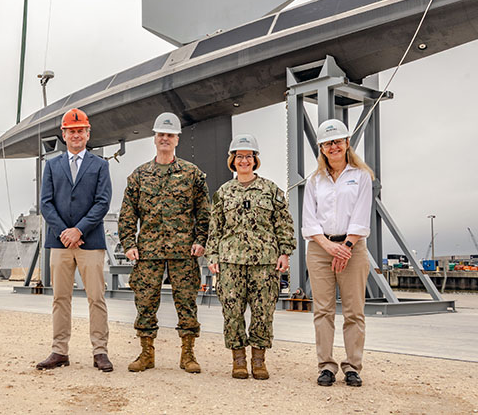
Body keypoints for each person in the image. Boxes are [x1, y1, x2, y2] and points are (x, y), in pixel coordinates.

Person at [119, 112, 210, 373]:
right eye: (161, 135)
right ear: (154, 138)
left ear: (177, 139)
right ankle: (146, 353)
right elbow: (128, 213)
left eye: (169, 135)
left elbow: (204, 212)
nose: (165, 139)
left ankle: (188, 354)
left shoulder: (192, 174)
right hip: (148, 251)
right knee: (145, 301)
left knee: (186, 301)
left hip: (184, 251)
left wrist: (201, 240)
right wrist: (128, 244)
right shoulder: (140, 175)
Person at [206, 134, 295, 379]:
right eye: (239, 156)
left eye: (249, 156)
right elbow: (215, 227)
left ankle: (258, 360)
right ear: (232, 160)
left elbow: (284, 224)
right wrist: (212, 255)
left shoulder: (270, 190)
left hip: (264, 263)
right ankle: (238, 360)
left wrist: (285, 253)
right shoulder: (223, 192)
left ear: (256, 160)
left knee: (263, 312)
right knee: (232, 312)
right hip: (231, 262)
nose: (244, 161)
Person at [36, 108, 114, 372]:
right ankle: (60, 351)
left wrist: (78, 231)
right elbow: (46, 204)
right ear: (64, 134)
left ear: (88, 133)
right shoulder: (52, 166)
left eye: (81, 130)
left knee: (96, 297)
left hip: (89, 242)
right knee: (60, 297)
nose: (76, 135)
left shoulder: (100, 165)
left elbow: (102, 202)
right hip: (60, 243)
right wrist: (64, 232)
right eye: (72, 131)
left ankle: (100, 351)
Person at [302, 119, 374, 387]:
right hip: (320, 248)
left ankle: (353, 366)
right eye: (328, 142)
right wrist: (328, 246)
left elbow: (361, 213)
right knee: (323, 310)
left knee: (354, 311)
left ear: (346, 144)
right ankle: (327, 366)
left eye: (338, 141)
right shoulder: (315, 180)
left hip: (352, 248)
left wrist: (345, 246)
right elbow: (309, 218)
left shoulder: (361, 176)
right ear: (321, 147)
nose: (333, 146)